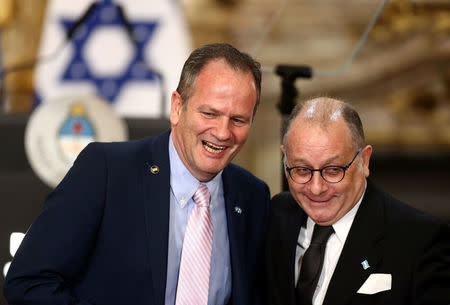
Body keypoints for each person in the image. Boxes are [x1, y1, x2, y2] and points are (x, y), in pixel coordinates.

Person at [4, 43, 270, 305]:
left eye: (238, 120)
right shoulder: (106, 172)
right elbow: (28, 281)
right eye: (209, 113)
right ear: (177, 107)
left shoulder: (252, 197)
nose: (223, 132)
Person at [265, 97, 450, 305]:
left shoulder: (422, 241)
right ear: (285, 160)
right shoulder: (275, 215)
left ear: (364, 160)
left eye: (333, 170)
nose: (316, 188)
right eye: (301, 170)